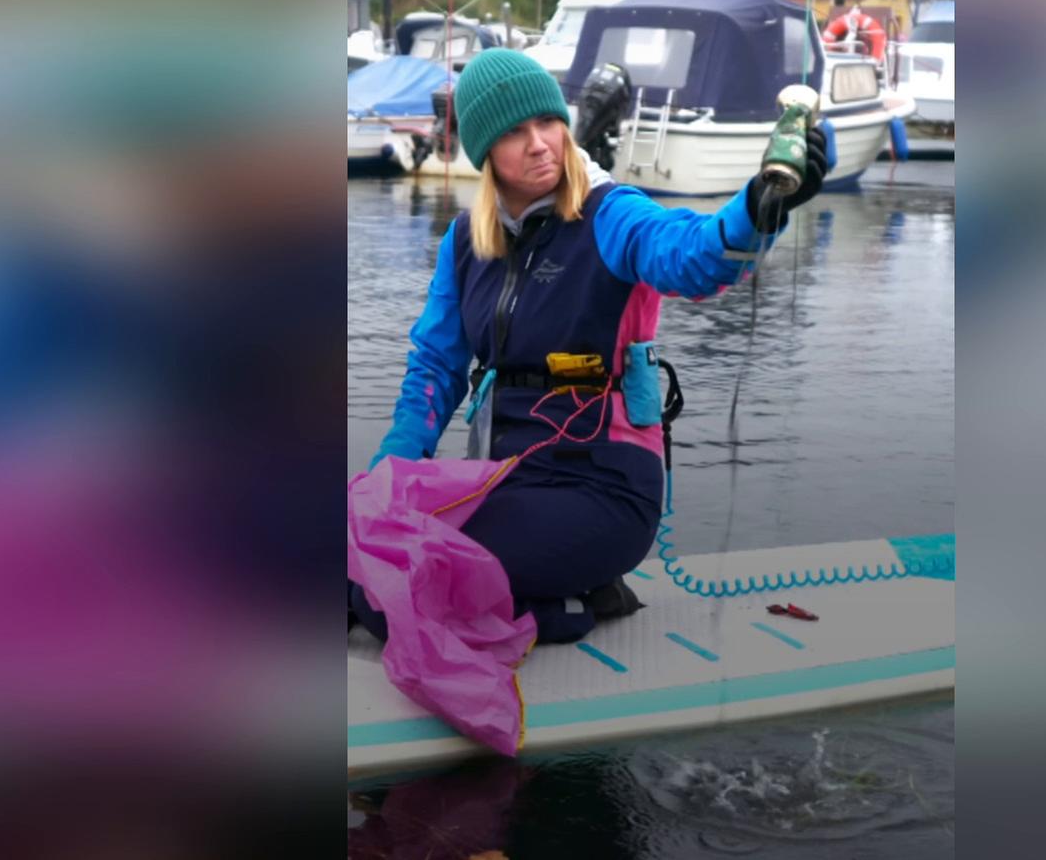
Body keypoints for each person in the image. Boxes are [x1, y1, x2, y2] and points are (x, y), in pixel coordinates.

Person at [351, 49, 827, 645]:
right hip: (508, 480)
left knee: (394, 588)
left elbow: (695, 256)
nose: (540, 143)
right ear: (484, 153)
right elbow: (436, 367)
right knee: (355, 547)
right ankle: (561, 587)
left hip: (602, 489)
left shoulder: (613, 215)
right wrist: (387, 476)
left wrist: (760, 206)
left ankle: (564, 611)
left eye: (547, 123)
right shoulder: (466, 242)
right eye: (514, 133)